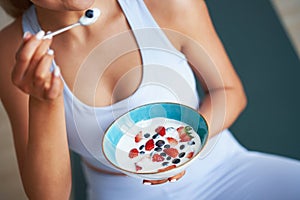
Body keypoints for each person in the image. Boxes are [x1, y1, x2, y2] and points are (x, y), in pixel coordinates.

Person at [0, 0, 300, 199]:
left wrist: (183, 148)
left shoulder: (166, 3)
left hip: (225, 171)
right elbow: (49, 196)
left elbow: (230, 92)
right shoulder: (10, 50)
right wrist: (44, 102)